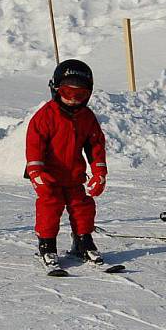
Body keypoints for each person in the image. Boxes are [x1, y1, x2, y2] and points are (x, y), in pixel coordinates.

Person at [25, 59, 108, 271]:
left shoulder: (87, 117)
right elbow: (34, 145)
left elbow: (95, 145)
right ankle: (47, 245)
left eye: (79, 95)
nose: (72, 100)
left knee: (83, 208)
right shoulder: (45, 116)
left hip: (74, 176)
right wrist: (35, 171)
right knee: (49, 209)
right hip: (49, 178)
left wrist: (99, 172)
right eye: (67, 92)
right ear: (55, 89)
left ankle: (83, 241)